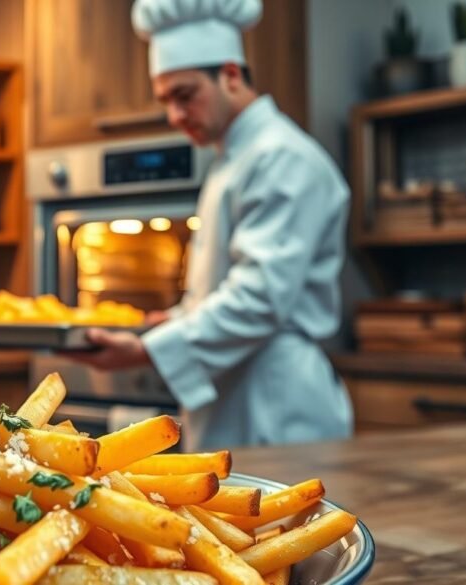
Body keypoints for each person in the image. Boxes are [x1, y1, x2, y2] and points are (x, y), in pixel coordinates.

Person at [65, 0, 353, 449]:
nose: (175, 116)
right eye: (166, 102)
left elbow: (258, 300)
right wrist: (169, 320)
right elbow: (222, 290)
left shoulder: (282, 158)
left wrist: (146, 349)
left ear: (231, 75)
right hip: (230, 401)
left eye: (185, 95)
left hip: (276, 406)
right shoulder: (230, 162)